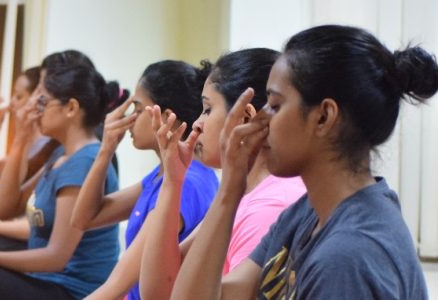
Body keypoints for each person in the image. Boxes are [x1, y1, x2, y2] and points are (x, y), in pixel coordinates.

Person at [160, 25, 436, 299]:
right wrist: (230, 189)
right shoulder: (307, 213)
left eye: (276, 105)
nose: (263, 119)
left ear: (323, 117)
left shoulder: (347, 256)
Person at [0, 65, 125, 300]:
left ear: (71, 108)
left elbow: (55, 258)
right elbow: (5, 208)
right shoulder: (61, 155)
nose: (35, 109)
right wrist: (21, 135)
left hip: (71, 292)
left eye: (43, 102)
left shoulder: (83, 163)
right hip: (48, 279)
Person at [138, 48, 307, 299]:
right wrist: (172, 181)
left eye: (207, 109)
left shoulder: (268, 206)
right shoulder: (240, 195)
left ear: (244, 117)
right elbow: (159, 290)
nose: (197, 123)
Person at [70, 60, 219, 300]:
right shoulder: (162, 175)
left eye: (138, 110)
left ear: (166, 117)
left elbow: (117, 285)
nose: (130, 119)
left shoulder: (186, 182)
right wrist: (106, 147)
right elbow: (85, 218)